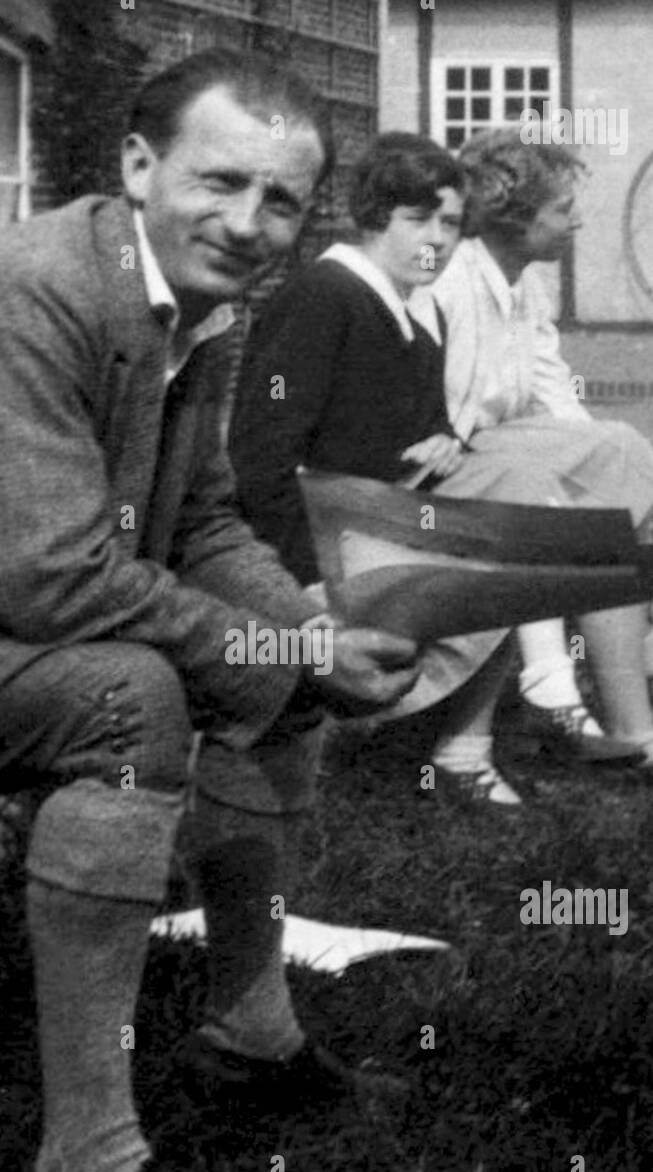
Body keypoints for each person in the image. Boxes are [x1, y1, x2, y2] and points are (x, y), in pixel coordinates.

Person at [0, 49, 420, 1172]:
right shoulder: (19, 292)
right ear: (139, 166)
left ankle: (248, 1028)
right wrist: (278, 640)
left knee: (280, 656)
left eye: (281, 201)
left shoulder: (201, 305)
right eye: (219, 181)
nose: (248, 225)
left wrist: (304, 635)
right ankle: (90, 1163)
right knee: (126, 699)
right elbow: (54, 577)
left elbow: (198, 527)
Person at [230, 132, 631, 809]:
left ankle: (469, 743)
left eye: (449, 223)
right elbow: (260, 465)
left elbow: (406, 431)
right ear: (371, 217)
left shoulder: (411, 309)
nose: (437, 240)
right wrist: (299, 594)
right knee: (519, 527)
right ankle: (473, 721)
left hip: (379, 527)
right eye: (418, 220)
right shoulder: (323, 297)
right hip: (314, 563)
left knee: (545, 504)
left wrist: (441, 442)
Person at [411, 126, 653, 770]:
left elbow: (557, 403)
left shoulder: (527, 286)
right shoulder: (449, 283)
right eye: (562, 210)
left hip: (500, 464)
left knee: (622, 450)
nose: (576, 221)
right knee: (544, 489)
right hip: (429, 485)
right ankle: (551, 685)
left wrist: (602, 479)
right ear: (513, 220)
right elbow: (433, 423)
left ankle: (636, 729)